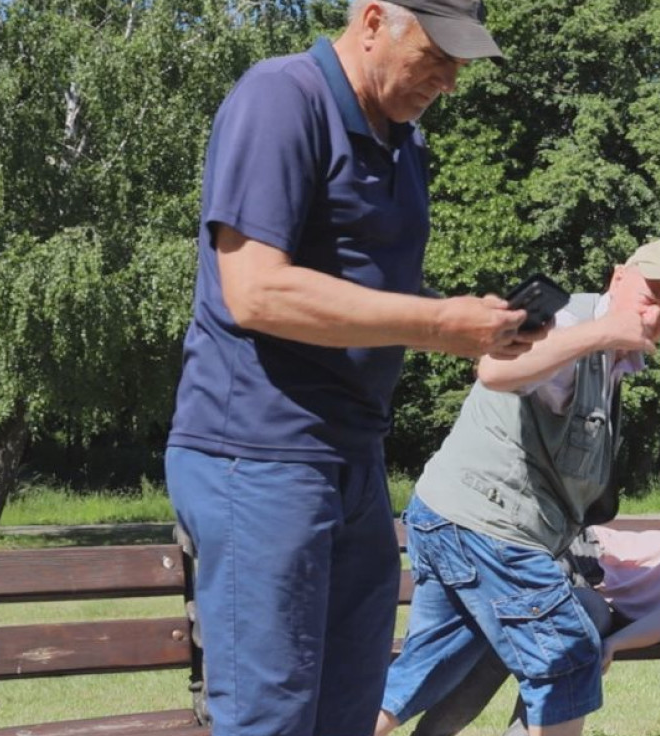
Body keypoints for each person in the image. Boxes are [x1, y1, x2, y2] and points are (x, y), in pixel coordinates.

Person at [163, 3, 537, 735]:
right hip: (260, 453)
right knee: (270, 719)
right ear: (373, 21)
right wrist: (437, 323)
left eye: (461, 65)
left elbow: (363, 296)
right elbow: (255, 290)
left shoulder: (402, 142)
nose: (450, 81)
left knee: (349, 715)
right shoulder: (281, 97)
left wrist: (476, 326)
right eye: (437, 55)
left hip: (353, 457)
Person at [376, 239, 660, 736]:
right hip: (488, 527)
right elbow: (496, 369)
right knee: (569, 660)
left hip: (452, 518)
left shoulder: (613, 362)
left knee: (424, 674)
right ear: (618, 278)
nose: (655, 313)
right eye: (649, 295)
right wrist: (601, 333)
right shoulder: (570, 325)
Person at [396, 522, 660, 736]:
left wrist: (615, 644)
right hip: (576, 556)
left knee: (571, 632)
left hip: (590, 605)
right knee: (519, 639)